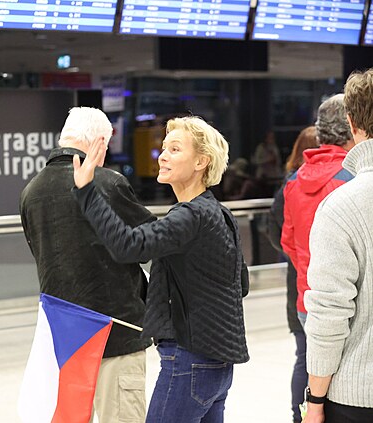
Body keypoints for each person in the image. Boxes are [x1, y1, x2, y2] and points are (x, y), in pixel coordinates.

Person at [72, 116, 249, 422]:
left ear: (201, 162)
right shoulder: (219, 213)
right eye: (164, 148)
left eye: (175, 149)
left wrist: (87, 190)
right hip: (217, 366)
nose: (162, 156)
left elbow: (129, 245)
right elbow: (240, 283)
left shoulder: (190, 216)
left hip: (190, 361)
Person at [19, 107, 155, 423]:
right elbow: (148, 244)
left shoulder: (31, 192)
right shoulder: (109, 183)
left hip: (66, 340)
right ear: (99, 143)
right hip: (117, 334)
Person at [302, 69, 373, 422]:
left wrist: (314, 400)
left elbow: (330, 313)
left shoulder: (342, 206)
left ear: (352, 123)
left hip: (360, 395)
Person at [281, 94, 354, 331]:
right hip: (350, 304)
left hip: (308, 301)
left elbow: (288, 242)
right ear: (354, 127)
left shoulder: (294, 181)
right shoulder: (356, 180)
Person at [267, 125, 318, 423]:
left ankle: (297, 416)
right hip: (308, 278)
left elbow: (276, 233)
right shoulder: (335, 180)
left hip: (296, 277)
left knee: (303, 354)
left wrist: (296, 254)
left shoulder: (288, 185)